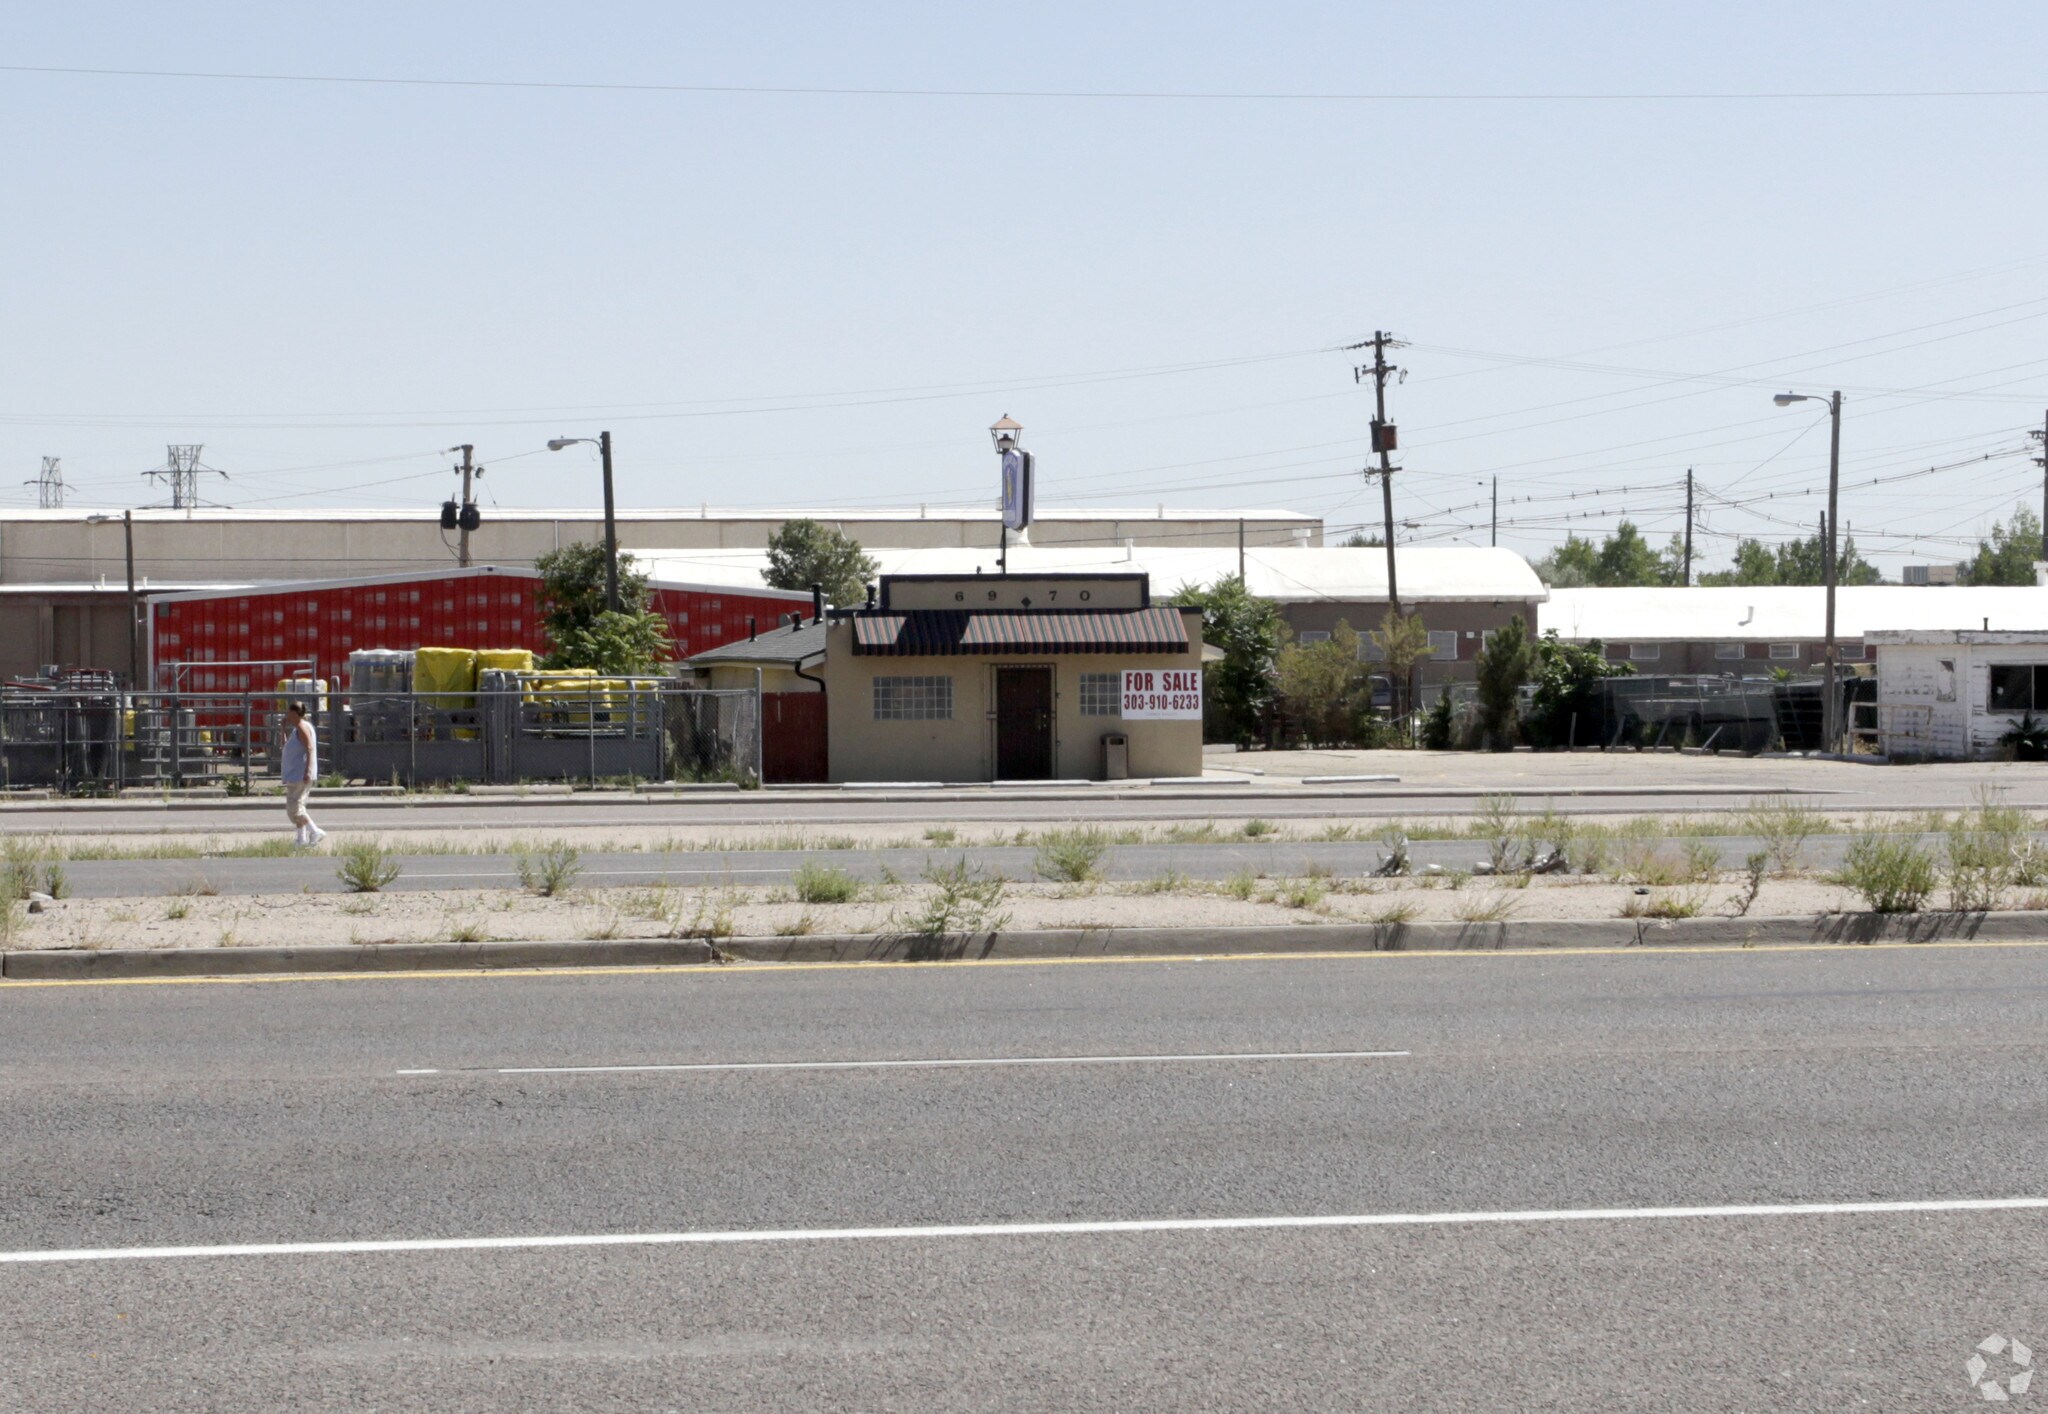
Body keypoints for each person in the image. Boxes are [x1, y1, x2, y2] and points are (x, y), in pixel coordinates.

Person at [281, 700, 326, 847]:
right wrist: (283, 729)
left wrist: (308, 770)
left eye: (289, 712)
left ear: (294, 713)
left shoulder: (302, 727)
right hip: (294, 773)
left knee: (294, 809)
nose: (287, 714)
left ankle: (315, 831)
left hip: (300, 774)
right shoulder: (298, 728)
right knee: (299, 807)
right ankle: (301, 840)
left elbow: (310, 748)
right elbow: (285, 746)